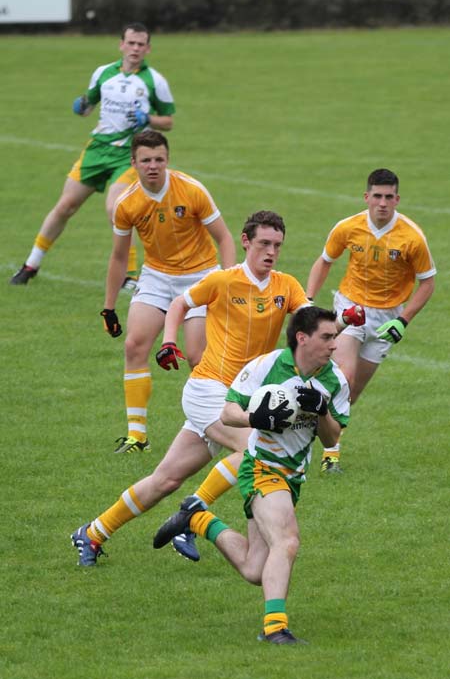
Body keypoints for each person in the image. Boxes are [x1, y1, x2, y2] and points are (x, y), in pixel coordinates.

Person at [70, 211, 361, 567]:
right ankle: (193, 513)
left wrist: (346, 319)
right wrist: (169, 340)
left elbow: (315, 326)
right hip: (209, 389)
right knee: (255, 451)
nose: (271, 252)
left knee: (166, 478)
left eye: (277, 245)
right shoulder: (222, 280)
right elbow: (179, 303)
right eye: (264, 244)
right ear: (245, 242)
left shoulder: (286, 286)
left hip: (244, 395)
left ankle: (94, 532)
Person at [153, 307, 350, 644]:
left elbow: (332, 438)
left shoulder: (334, 380)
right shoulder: (265, 366)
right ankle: (275, 629)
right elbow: (228, 413)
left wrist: (320, 410)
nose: (334, 345)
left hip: (294, 476)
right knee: (286, 540)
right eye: (327, 337)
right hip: (261, 467)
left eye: (335, 337)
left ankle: (196, 519)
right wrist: (258, 418)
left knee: (254, 569)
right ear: (303, 338)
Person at [10, 22, 175, 288]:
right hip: (97, 149)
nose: (135, 48)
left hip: (129, 154)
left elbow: (168, 121)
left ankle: (130, 276)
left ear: (148, 48)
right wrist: (81, 106)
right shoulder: (103, 73)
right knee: (65, 206)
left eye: (140, 44)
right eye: (130, 43)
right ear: (121, 44)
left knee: (116, 207)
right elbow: (87, 106)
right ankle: (31, 264)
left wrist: (148, 118)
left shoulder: (154, 81)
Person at [99, 130, 235, 453]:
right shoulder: (127, 203)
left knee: (198, 356)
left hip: (201, 276)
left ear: (167, 160)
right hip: (157, 277)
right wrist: (108, 306)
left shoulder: (191, 190)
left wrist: (227, 284)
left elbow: (225, 239)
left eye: (159, 159)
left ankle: (216, 426)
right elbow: (119, 256)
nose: (153, 166)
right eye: (146, 160)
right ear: (133, 163)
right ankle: (137, 436)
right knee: (134, 345)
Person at [306, 168, 436, 473]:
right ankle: (330, 455)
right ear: (366, 197)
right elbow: (325, 261)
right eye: (377, 196)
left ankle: (322, 430)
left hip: (388, 318)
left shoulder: (412, 237)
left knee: (352, 393)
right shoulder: (348, 227)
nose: (382, 203)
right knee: (345, 377)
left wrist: (403, 320)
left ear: (397, 199)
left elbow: (428, 283)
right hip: (352, 309)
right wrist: (308, 300)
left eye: (388, 197)